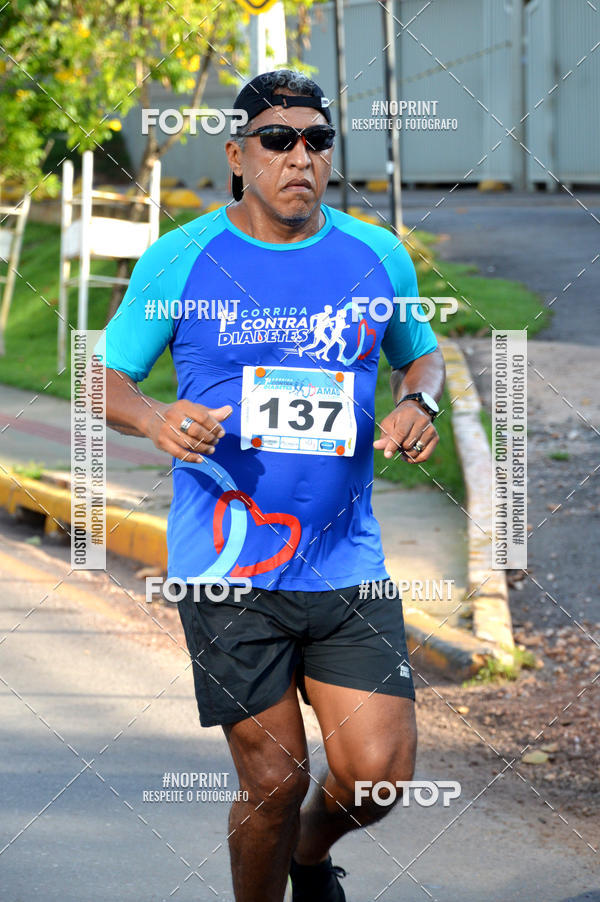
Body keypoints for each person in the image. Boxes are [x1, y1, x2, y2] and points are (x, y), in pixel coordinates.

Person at [103, 69, 445, 902]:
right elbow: (102, 375)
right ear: (237, 155)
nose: (301, 157)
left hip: (345, 561)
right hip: (229, 568)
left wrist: (417, 400)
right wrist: (153, 419)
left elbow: (419, 352)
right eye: (279, 141)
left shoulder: (376, 254)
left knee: (377, 776)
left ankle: (307, 859)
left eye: (317, 141)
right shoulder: (180, 257)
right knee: (274, 779)